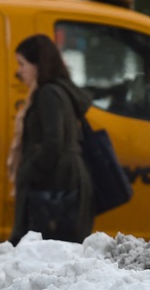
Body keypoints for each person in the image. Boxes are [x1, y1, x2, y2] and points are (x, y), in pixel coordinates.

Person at [8, 34, 94, 244]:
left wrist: (29, 170)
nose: (19, 71)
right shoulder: (57, 91)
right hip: (62, 183)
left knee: (40, 251)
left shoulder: (48, 94)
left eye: (22, 64)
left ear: (39, 64)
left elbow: (52, 142)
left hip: (55, 188)